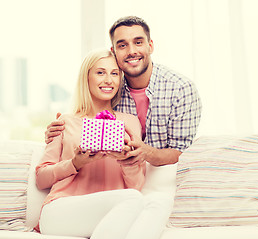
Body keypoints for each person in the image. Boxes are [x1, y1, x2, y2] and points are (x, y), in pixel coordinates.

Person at [36, 49, 170, 239]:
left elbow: (136, 185)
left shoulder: (130, 122)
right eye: (100, 72)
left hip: (115, 213)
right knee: (132, 199)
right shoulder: (65, 121)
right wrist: (75, 163)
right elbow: (41, 179)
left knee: (161, 201)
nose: (109, 80)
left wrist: (127, 162)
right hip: (62, 210)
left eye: (115, 73)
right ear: (86, 77)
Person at [45, 16, 202, 167]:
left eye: (138, 42)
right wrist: (59, 134)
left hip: (164, 177)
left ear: (151, 46)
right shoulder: (108, 88)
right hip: (121, 177)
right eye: (122, 45)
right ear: (113, 51)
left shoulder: (181, 89)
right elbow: (84, 119)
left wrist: (147, 153)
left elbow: (182, 153)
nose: (131, 51)